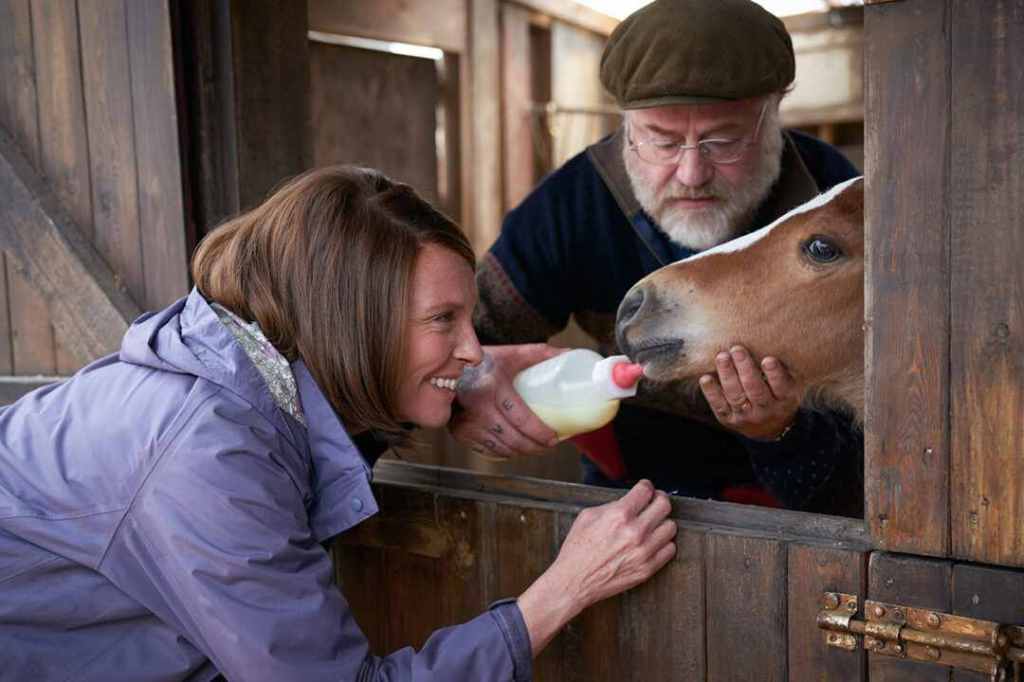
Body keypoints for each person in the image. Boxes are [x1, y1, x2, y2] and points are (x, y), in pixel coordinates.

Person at [0, 166, 677, 681]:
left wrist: (451, 380)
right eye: (444, 320)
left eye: (468, 319)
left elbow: (315, 418)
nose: (474, 347)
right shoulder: (206, 457)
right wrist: (560, 593)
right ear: (353, 325)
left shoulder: (243, 376)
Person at [451, 0, 864, 516]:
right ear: (625, 126)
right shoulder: (574, 203)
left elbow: (870, 457)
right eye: (662, 141)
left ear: (774, 114)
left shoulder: (837, 203)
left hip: (796, 516)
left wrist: (780, 432)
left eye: (723, 140)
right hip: (628, 503)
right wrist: (470, 376)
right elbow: (466, 335)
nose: (692, 173)